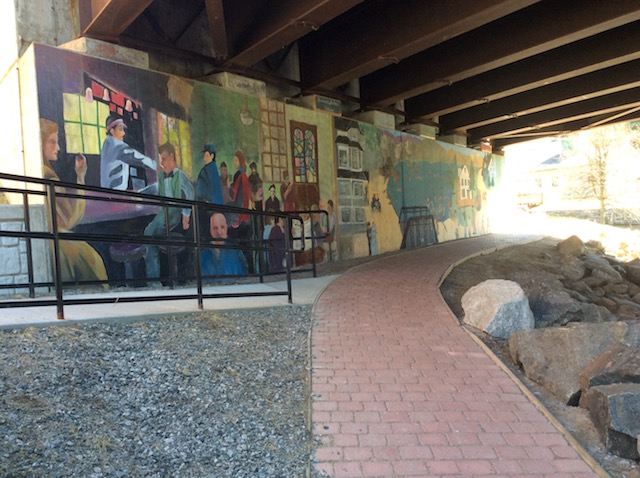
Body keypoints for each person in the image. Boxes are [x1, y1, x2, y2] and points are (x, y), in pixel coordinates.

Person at [40, 118, 108, 286]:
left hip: (46, 244)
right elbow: (70, 219)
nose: (58, 148)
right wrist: (80, 177)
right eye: (52, 142)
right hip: (59, 246)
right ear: (39, 143)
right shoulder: (49, 177)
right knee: (94, 263)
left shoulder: (40, 172)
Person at [144, 141, 195, 285]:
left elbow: (190, 192)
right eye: (160, 160)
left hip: (175, 212)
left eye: (164, 159)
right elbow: (157, 192)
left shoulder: (179, 175)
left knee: (149, 234)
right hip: (164, 212)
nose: (162, 163)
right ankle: (153, 279)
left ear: (172, 157)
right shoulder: (161, 177)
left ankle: (153, 281)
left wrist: (186, 215)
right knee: (149, 235)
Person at [99, 113, 157, 191]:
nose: (123, 133)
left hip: (112, 192)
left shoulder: (107, 144)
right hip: (117, 195)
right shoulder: (117, 146)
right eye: (120, 129)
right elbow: (136, 157)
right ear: (112, 131)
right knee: (156, 188)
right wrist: (155, 165)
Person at [200, 212, 247, 277]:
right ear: (210, 231)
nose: (219, 232)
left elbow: (244, 276)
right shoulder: (203, 255)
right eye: (215, 228)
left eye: (222, 227)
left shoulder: (235, 251)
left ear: (226, 229)